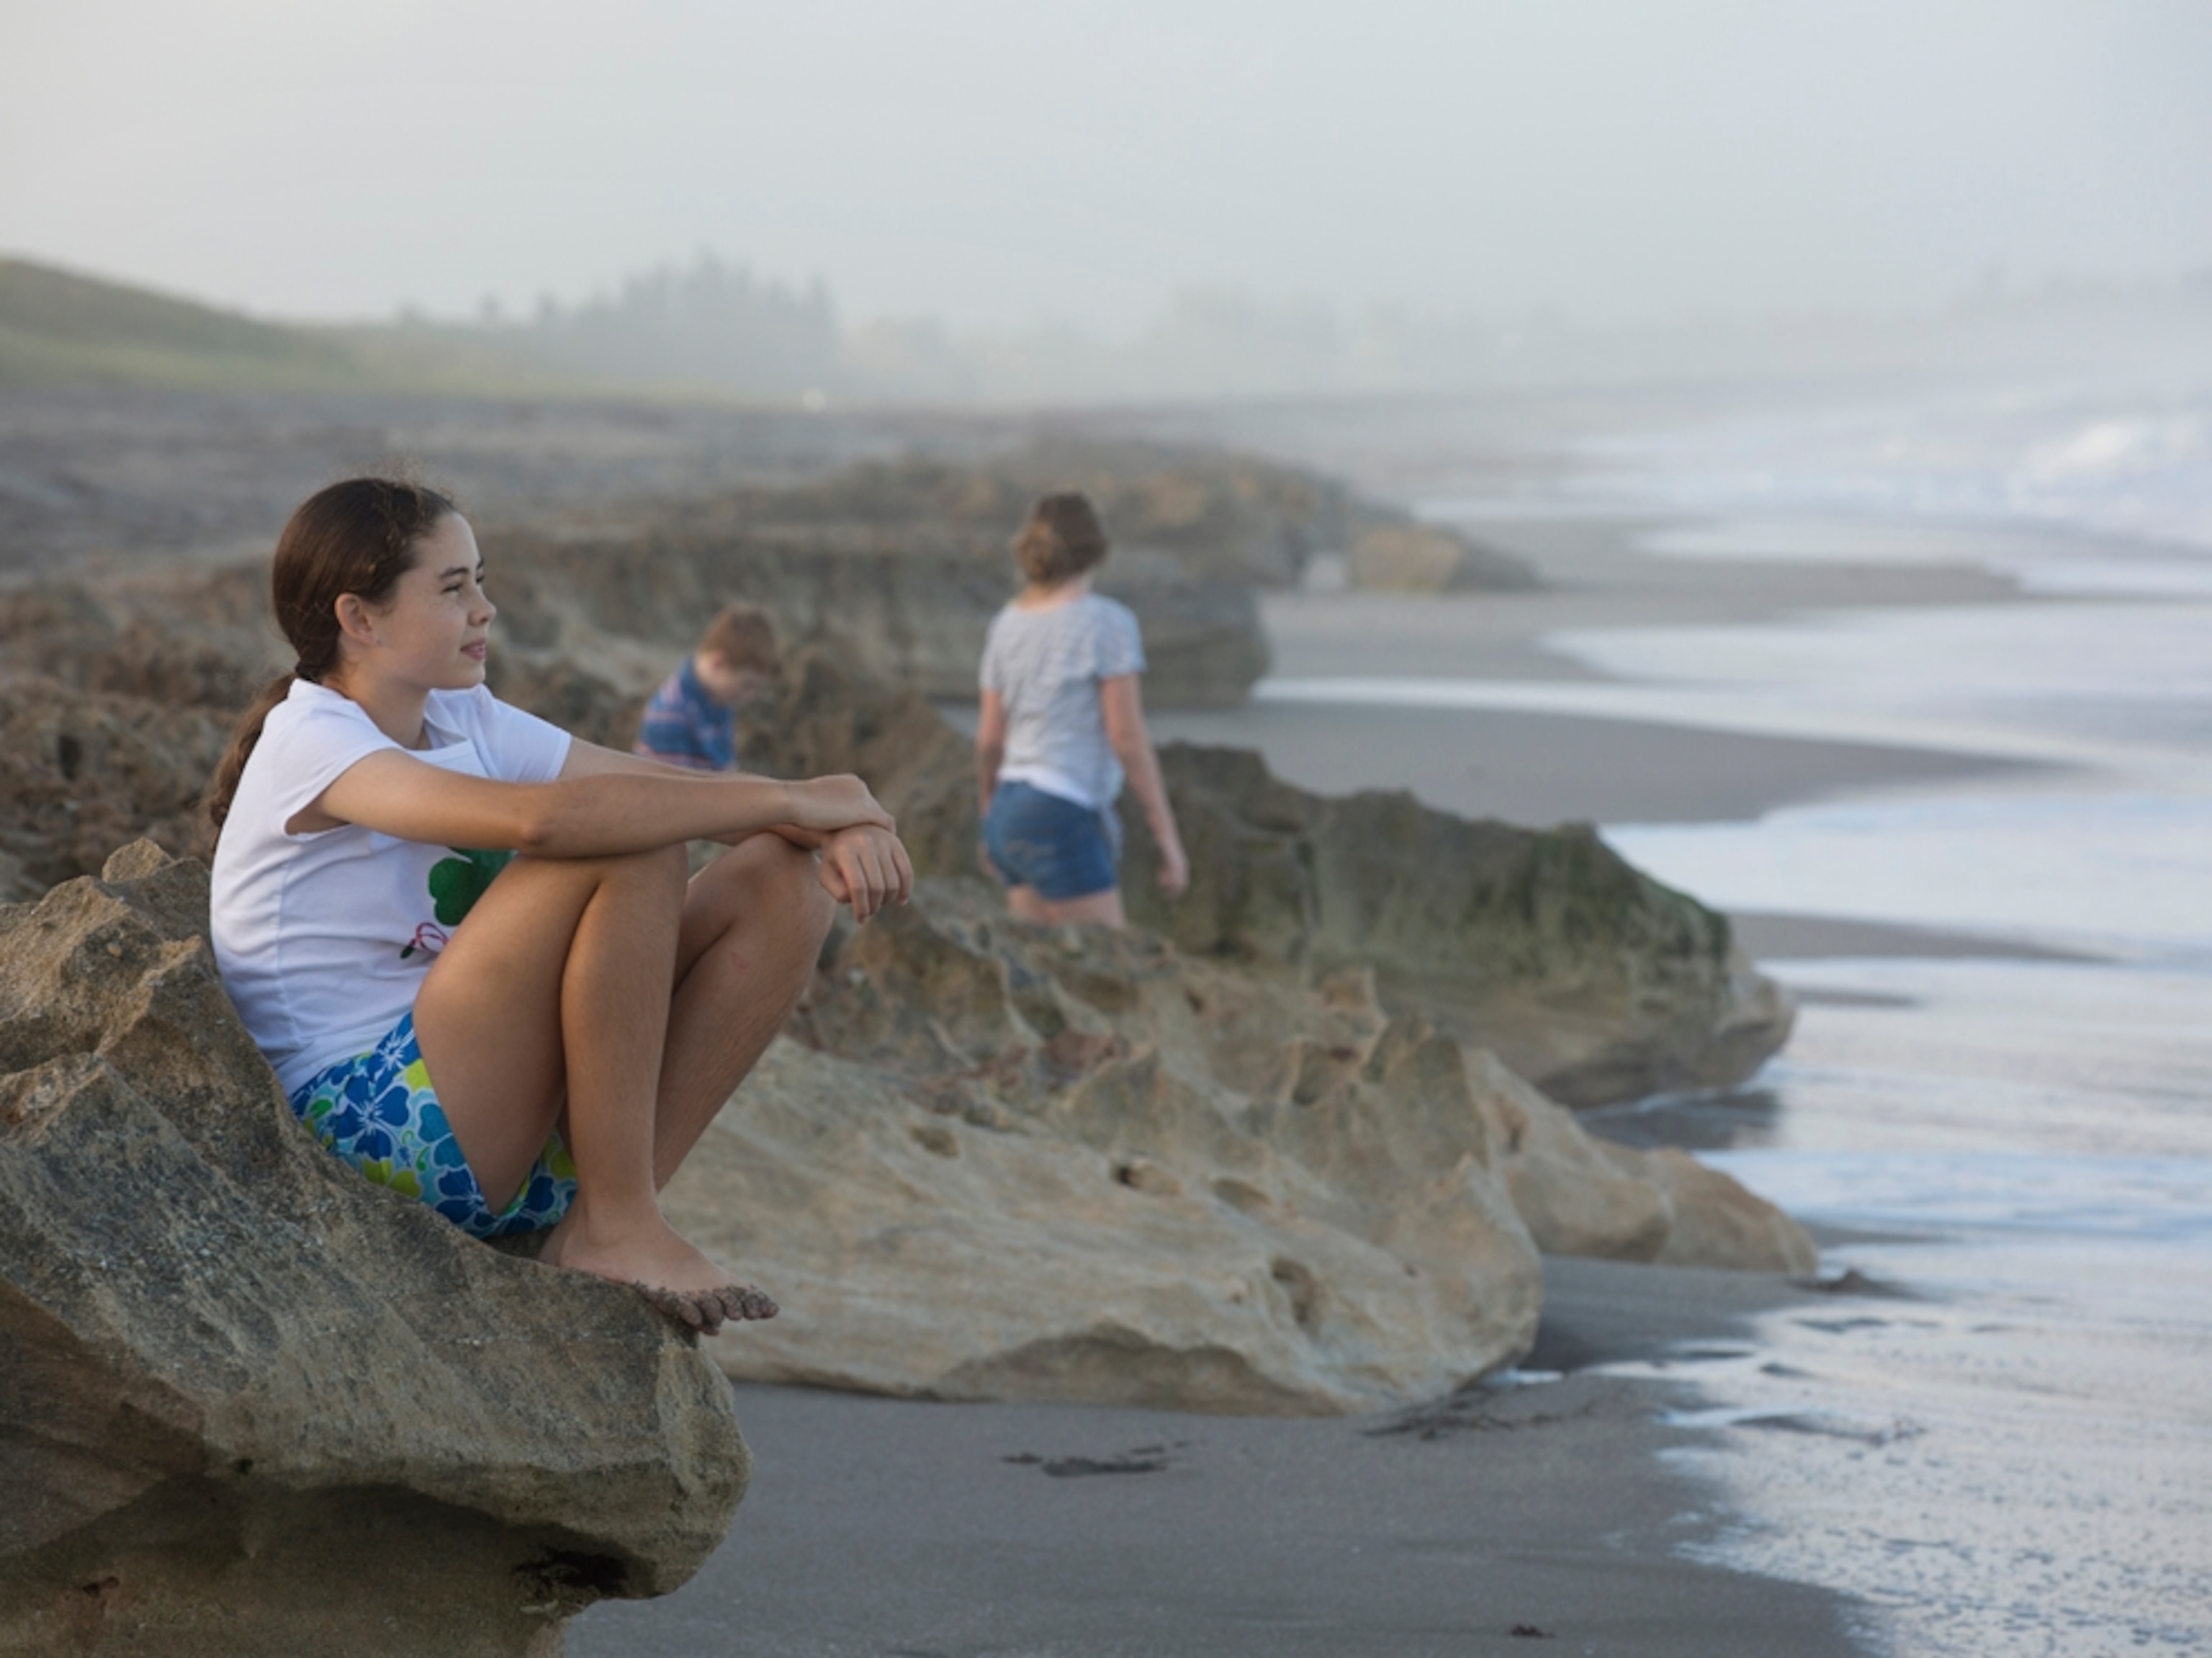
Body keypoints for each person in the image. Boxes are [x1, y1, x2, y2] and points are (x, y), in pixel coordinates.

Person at [204, 478, 911, 1335]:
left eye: (482, 581)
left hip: (504, 1123)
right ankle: (622, 1225)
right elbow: (548, 819)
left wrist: (829, 813)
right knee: (625, 839)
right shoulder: (311, 739)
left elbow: (672, 789)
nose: (485, 609)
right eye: (454, 587)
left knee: (781, 881)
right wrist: (806, 802)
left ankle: (607, 1214)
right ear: (361, 618)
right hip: (373, 1124)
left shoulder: (469, 718)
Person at [974, 490, 1190, 928]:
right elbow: (1126, 738)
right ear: (1097, 550)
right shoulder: (1106, 622)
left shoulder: (1007, 623)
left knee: (1044, 973)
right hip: (1061, 807)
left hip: (1010, 807)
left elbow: (990, 740)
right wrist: (1167, 837)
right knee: (1112, 971)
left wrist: (989, 818)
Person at [634, 601, 781, 771]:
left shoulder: (718, 699)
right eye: (746, 685)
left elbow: (725, 766)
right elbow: (671, 791)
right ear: (718, 664)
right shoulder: (671, 713)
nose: (751, 696)